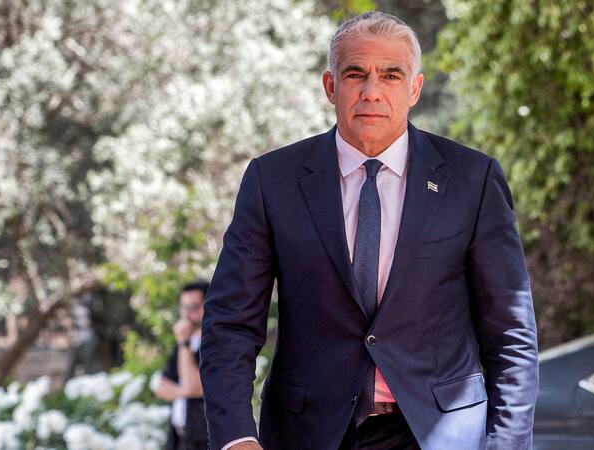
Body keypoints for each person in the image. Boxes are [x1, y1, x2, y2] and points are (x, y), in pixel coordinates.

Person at [200, 11, 538, 450]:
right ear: (330, 86)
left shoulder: (472, 179)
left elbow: (511, 334)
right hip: (308, 434)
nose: (371, 91)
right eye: (355, 74)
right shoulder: (272, 181)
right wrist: (236, 437)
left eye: (390, 75)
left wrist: (506, 444)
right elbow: (230, 323)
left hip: (438, 434)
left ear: (414, 88)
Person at [155, 281, 210, 450]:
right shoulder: (184, 342)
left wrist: (184, 342)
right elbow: (161, 388)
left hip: (202, 440)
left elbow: (195, 386)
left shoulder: (214, 344)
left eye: (193, 307)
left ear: (208, 306)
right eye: (183, 307)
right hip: (178, 437)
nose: (187, 314)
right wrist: (187, 390)